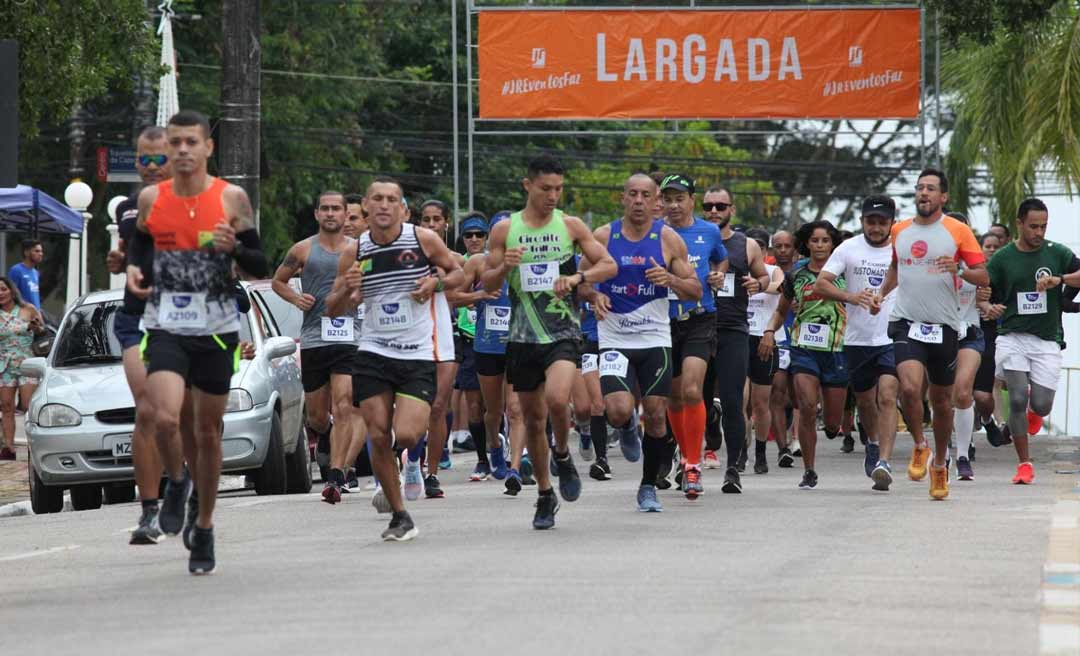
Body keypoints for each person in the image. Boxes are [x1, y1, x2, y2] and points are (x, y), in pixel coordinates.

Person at [126, 109, 270, 573]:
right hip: (166, 325)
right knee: (165, 418)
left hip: (217, 330)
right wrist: (133, 269)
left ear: (208, 147)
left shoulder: (231, 198)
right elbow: (141, 243)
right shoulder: (151, 198)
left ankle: (204, 525)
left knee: (207, 433)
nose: (183, 150)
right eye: (176, 143)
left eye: (192, 142)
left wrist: (235, 248)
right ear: (167, 149)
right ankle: (176, 481)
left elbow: (261, 265)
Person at [483, 153, 616, 530]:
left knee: (558, 399)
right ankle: (544, 493)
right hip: (522, 336)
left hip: (563, 332)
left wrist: (577, 279)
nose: (553, 196)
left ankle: (562, 454)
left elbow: (609, 265)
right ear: (528, 186)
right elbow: (487, 282)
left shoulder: (570, 226)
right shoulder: (505, 230)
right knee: (533, 419)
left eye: (558, 189)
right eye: (545, 188)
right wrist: (505, 266)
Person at [325, 177, 463, 540]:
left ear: (402, 208)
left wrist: (435, 284)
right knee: (377, 432)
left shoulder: (423, 240)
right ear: (366, 207)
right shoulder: (355, 252)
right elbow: (332, 309)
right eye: (377, 199)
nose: (384, 205)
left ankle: (403, 467)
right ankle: (400, 514)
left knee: (407, 432)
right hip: (373, 350)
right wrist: (348, 289)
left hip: (417, 352)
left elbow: (459, 273)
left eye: (391, 199)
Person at [581, 172, 700, 511]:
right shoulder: (603, 236)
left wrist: (671, 279)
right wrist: (594, 296)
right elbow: (580, 281)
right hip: (615, 337)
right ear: (623, 198)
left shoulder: (669, 239)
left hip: (654, 338)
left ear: (655, 200)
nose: (638, 201)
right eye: (632, 194)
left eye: (645, 195)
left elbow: (695, 290)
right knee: (618, 411)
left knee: (658, 416)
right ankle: (626, 425)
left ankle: (648, 487)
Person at [873, 168, 988, 501]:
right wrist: (881, 293)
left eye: (931, 188)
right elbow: (896, 267)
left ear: (943, 196)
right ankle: (919, 444)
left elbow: (983, 275)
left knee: (941, 402)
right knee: (909, 388)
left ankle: (939, 463)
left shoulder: (958, 231)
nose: (923, 193)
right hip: (906, 321)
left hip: (945, 327)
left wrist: (960, 269)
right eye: (920, 188)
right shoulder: (900, 230)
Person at [106, 125, 172, 542]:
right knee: (147, 411)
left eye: (158, 159)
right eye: (143, 159)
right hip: (138, 316)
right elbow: (129, 255)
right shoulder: (128, 208)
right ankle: (149, 512)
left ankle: (184, 484)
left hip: (185, 317)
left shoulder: (197, 202)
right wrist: (118, 260)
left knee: (180, 416)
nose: (150, 167)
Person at [271, 190, 360, 503]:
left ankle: (336, 475)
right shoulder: (302, 249)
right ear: (317, 214)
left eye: (337, 208)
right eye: (325, 208)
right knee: (318, 417)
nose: (331, 213)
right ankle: (325, 435)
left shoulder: (357, 249)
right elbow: (277, 281)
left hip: (349, 336)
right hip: (313, 337)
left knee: (345, 403)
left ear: (345, 213)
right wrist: (296, 298)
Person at [984, 198, 1080, 484]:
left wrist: (1060, 279)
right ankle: (1024, 464)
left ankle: (1033, 411)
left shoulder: (1057, 252)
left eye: (1043, 227)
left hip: (1046, 340)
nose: (1039, 232)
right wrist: (988, 307)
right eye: (1033, 226)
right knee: (1015, 397)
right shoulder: (1003, 258)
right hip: (1012, 336)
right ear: (1019, 224)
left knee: (1042, 404)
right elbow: (983, 290)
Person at [813, 196, 900, 490]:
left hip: (891, 335)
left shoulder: (900, 249)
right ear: (862, 221)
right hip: (857, 338)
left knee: (887, 396)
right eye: (870, 222)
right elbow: (821, 283)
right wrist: (851, 297)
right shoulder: (848, 249)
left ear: (892, 223)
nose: (876, 228)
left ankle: (884, 461)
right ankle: (872, 443)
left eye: (882, 222)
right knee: (865, 400)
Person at [658, 174, 730, 497]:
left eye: (679, 199)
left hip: (701, 317)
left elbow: (721, 257)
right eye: (668, 199)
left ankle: (693, 464)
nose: (674, 205)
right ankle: (683, 451)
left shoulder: (709, 231)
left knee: (691, 389)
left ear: (691, 201)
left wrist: (718, 275)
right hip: (663, 321)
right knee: (673, 397)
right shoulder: (654, 233)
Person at [761, 220, 847, 489]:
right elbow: (781, 309)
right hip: (804, 348)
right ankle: (809, 470)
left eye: (825, 241)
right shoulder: (796, 274)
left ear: (833, 244)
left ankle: (831, 426)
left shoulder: (845, 270)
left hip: (837, 349)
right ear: (806, 244)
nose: (819, 246)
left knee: (832, 422)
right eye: (814, 241)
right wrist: (769, 331)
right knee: (807, 406)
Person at [700, 187, 771, 485]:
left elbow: (764, 276)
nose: (714, 211)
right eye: (708, 206)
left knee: (733, 400)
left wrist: (758, 284)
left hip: (733, 329)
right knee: (697, 398)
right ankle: (708, 427)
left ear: (732, 209)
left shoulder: (747, 245)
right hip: (698, 328)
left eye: (720, 206)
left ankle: (732, 468)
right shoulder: (692, 239)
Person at [448, 212, 509, 482]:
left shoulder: (519, 260)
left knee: (512, 406)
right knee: (477, 407)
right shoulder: (471, 263)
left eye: (479, 234)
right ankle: (484, 458)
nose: (474, 239)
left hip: (512, 341)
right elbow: (454, 297)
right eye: (469, 235)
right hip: (474, 341)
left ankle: (515, 457)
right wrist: (479, 295)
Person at [742, 227, 787, 474]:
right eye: (751, 246)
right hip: (740, 338)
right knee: (740, 400)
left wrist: (759, 285)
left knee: (761, 403)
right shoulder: (736, 271)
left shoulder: (773, 271)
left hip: (765, 339)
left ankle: (760, 452)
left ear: (765, 250)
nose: (756, 251)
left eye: (760, 247)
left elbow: (780, 286)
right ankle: (740, 451)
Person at [0, 276, 45, 460]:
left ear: (12, 290)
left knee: (28, 405)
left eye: (3, 289)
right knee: (6, 406)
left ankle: (34, 447)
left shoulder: (28, 309)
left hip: (27, 364)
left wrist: (36, 327)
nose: (0, 293)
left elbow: (43, 330)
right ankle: (8, 448)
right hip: (4, 365)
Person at [8, 239, 43, 310]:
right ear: (26, 252)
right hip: (22, 314)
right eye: (37, 251)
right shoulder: (16, 270)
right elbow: (11, 295)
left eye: (41, 251)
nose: (40, 254)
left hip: (35, 313)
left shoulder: (36, 273)